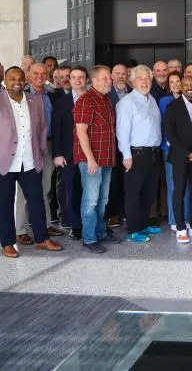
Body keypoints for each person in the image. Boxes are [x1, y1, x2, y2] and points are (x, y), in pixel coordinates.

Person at [0, 66, 63, 258]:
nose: (17, 81)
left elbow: (42, 129)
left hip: (29, 161)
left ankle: (42, 239)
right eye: (12, 78)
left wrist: (41, 150)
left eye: (20, 78)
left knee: (36, 200)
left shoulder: (35, 101)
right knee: (5, 203)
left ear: (25, 80)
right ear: (5, 80)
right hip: (0, 163)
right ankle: (8, 243)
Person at [73, 66, 122, 253]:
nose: (109, 81)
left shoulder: (106, 100)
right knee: (91, 201)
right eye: (105, 78)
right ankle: (89, 238)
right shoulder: (85, 101)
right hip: (91, 161)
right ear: (94, 81)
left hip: (107, 159)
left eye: (109, 78)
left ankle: (100, 233)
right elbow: (81, 132)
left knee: (102, 200)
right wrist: (90, 159)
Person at [116, 65, 163, 244]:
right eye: (140, 79)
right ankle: (134, 230)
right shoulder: (127, 103)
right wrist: (126, 156)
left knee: (149, 192)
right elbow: (122, 132)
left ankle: (143, 224)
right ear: (132, 81)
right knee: (134, 193)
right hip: (135, 154)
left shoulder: (151, 100)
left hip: (153, 153)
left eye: (147, 79)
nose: (144, 82)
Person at [16, 63, 61, 241]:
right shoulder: (21, 95)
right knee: (24, 190)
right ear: (29, 75)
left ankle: (46, 224)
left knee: (46, 188)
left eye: (43, 73)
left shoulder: (52, 95)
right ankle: (21, 229)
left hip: (49, 145)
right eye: (36, 73)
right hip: (29, 146)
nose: (40, 76)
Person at [163, 76, 192, 244]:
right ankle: (181, 228)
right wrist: (186, 152)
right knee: (180, 192)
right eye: (186, 85)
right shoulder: (172, 107)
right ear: (180, 87)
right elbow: (171, 134)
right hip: (180, 157)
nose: (189, 88)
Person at [52, 65, 87, 240]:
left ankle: (92, 223)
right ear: (70, 80)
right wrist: (57, 154)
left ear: (86, 80)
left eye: (81, 77)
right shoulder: (61, 103)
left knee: (91, 191)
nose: (78, 80)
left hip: (91, 155)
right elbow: (56, 130)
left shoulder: (94, 99)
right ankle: (76, 226)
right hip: (69, 155)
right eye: (74, 77)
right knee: (72, 192)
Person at [159, 72, 185, 230]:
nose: (175, 84)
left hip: (187, 149)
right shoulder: (165, 101)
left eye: (178, 81)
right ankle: (174, 220)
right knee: (172, 184)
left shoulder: (189, 99)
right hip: (170, 148)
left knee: (185, 185)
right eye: (172, 82)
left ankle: (186, 218)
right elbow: (164, 124)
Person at [106, 63, 130, 229]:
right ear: (112, 76)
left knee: (128, 181)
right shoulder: (106, 94)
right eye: (118, 73)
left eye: (124, 74)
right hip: (111, 145)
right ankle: (113, 214)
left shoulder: (134, 92)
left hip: (130, 144)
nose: (121, 76)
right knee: (113, 181)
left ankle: (126, 211)